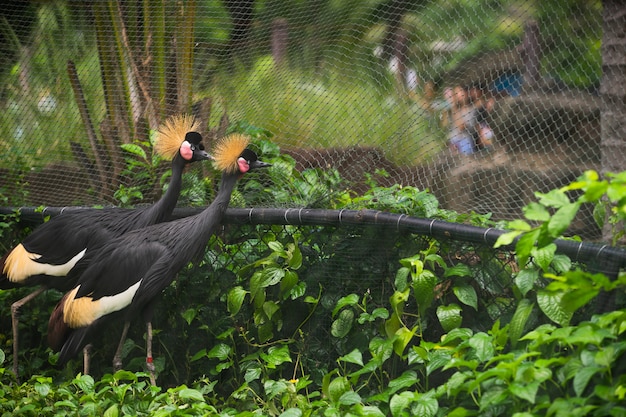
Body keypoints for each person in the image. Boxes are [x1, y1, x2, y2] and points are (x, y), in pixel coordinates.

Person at [447, 85, 476, 155]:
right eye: (456, 93)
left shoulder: (472, 109)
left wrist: (454, 107)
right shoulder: (452, 110)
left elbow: (461, 126)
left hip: (465, 140)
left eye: (460, 92)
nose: (459, 95)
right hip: (454, 140)